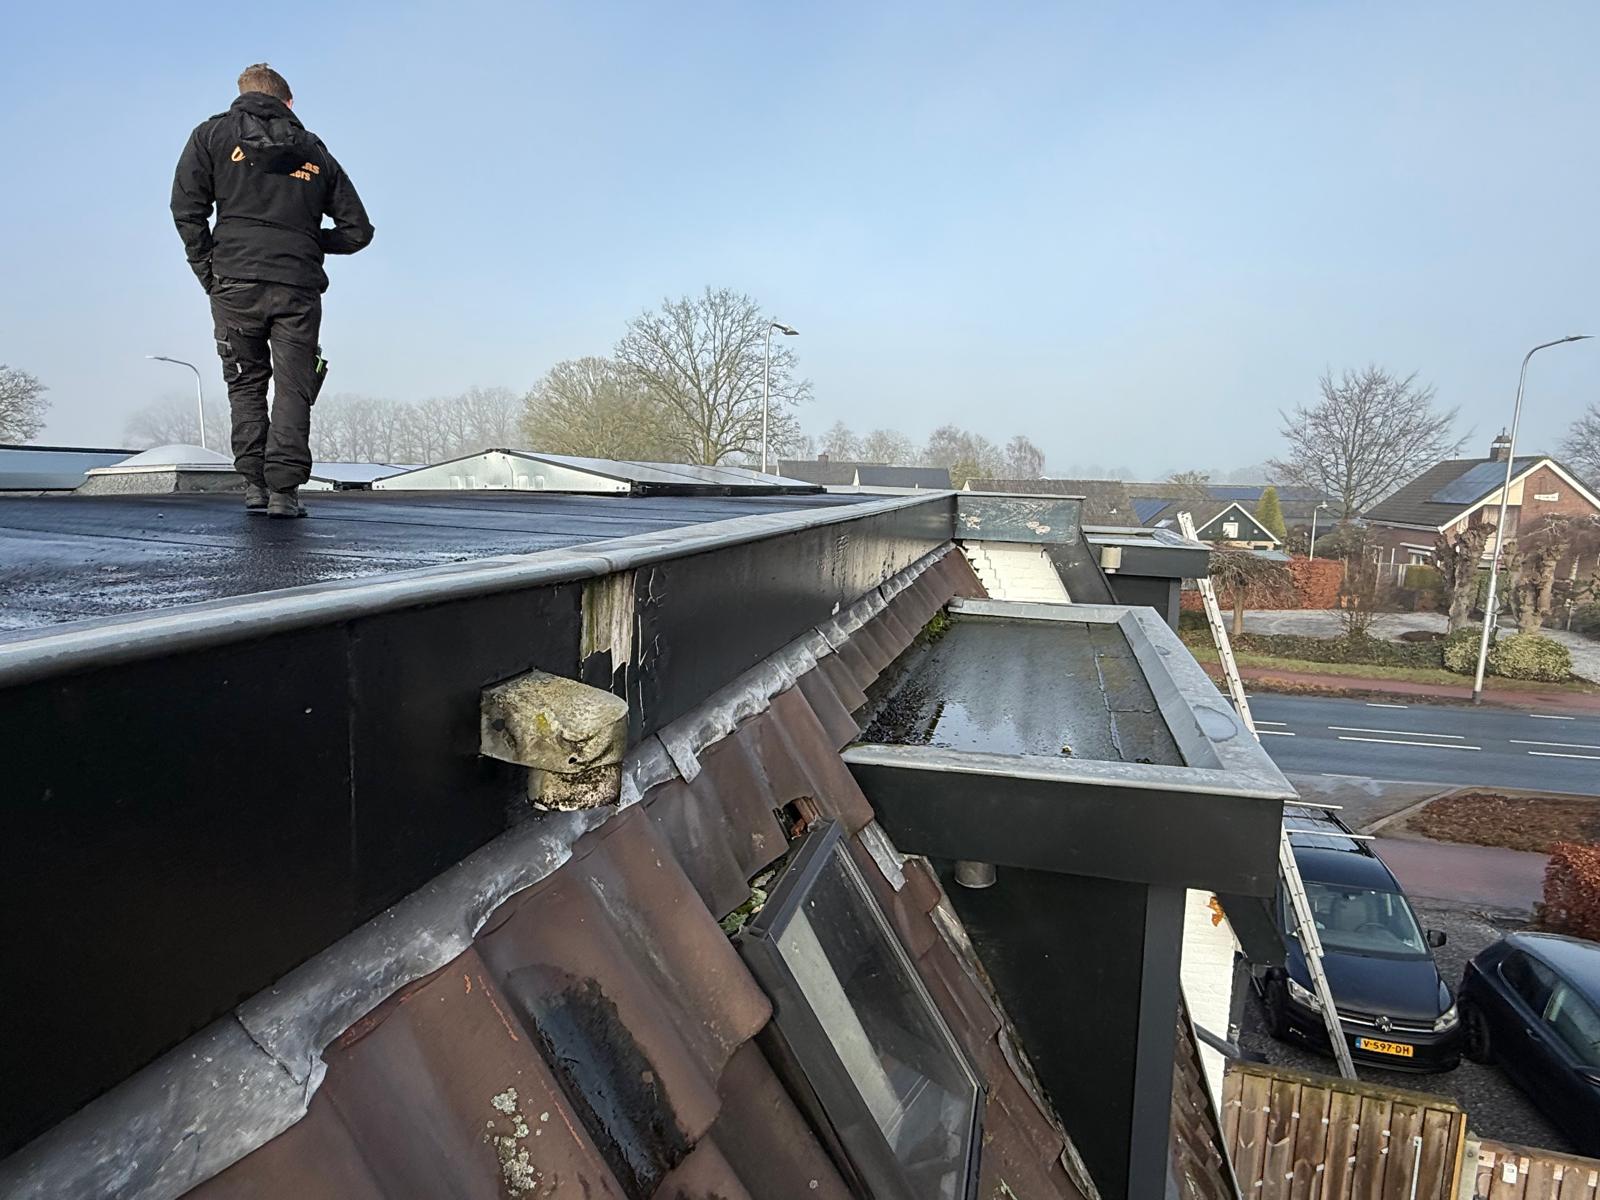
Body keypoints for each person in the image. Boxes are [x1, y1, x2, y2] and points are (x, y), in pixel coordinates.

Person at [171, 64, 373, 517]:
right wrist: (303, 241)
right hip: (297, 287)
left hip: (234, 282)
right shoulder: (315, 151)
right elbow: (358, 231)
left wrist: (208, 269)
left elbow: (186, 210)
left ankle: (254, 486)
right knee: (294, 386)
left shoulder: (211, 137)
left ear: (241, 95)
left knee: (244, 384)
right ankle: (284, 492)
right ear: (289, 102)